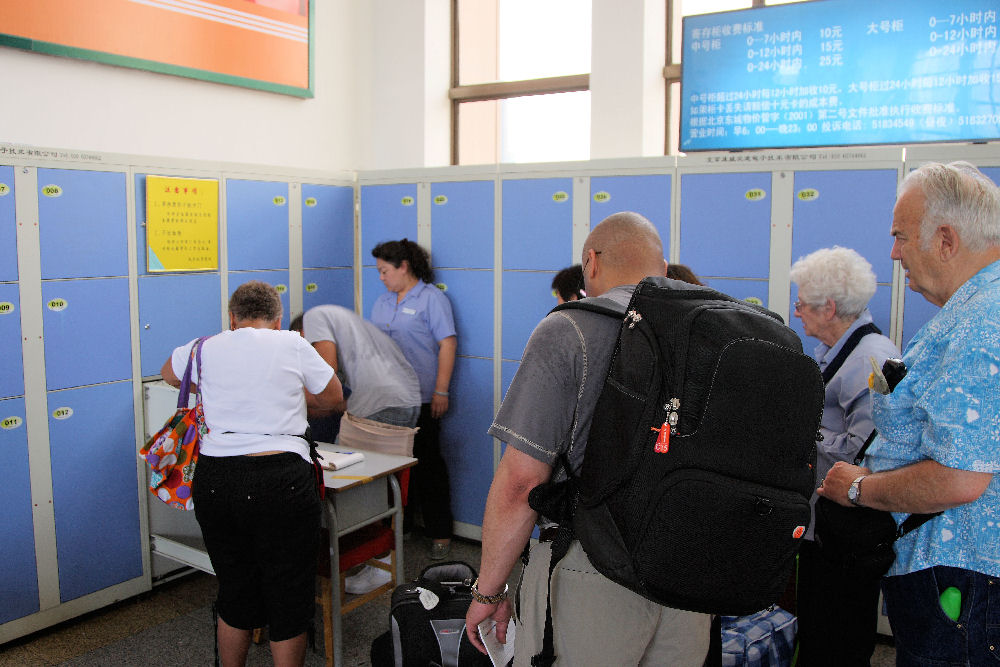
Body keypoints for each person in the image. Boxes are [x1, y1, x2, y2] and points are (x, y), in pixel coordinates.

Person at [465, 212, 710, 666]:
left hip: (591, 567)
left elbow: (522, 483)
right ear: (661, 264)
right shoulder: (709, 327)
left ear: (590, 262)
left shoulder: (569, 329)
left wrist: (490, 589)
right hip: (689, 569)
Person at [817, 161, 1000, 665]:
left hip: (962, 587)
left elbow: (960, 478)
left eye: (900, 236)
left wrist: (857, 489)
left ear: (945, 239)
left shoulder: (983, 325)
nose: (893, 253)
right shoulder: (972, 312)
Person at [160, 281, 342, 667]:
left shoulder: (202, 347)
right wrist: (288, 393)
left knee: (235, 589)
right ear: (277, 319)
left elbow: (170, 375)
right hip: (282, 480)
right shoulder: (292, 344)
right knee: (289, 593)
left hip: (216, 480)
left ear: (232, 318)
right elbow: (333, 396)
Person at [789, 246, 900, 666]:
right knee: (818, 631)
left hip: (847, 531)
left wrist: (798, 428)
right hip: (826, 524)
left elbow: (864, 455)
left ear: (829, 307)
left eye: (801, 303)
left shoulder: (871, 359)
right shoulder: (843, 352)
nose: (796, 312)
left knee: (837, 640)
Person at [291, 304, 421, 594]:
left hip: (385, 405)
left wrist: (291, 399)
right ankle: (373, 559)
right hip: (401, 400)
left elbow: (327, 382)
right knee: (372, 481)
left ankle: (373, 562)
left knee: (355, 485)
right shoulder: (347, 329)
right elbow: (337, 401)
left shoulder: (316, 322)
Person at [370, 239, 457, 560]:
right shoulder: (381, 302)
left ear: (403, 267)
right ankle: (399, 526)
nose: (381, 277)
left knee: (429, 464)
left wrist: (441, 390)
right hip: (388, 399)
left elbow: (447, 344)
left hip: (421, 397)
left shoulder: (432, 299)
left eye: (384, 271)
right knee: (392, 467)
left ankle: (440, 531)